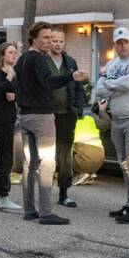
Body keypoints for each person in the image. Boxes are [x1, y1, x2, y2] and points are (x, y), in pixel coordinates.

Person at [15, 21, 88, 225]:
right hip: (41, 117)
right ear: (34, 39)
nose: (49, 42)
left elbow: (16, 85)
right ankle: (46, 213)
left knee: (29, 164)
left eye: (51, 38)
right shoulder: (39, 59)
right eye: (45, 38)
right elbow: (49, 82)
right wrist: (71, 76)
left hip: (25, 116)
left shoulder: (22, 59)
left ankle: (30, 210)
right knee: (47, 163)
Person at [93, 26, 129, 224]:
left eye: (125, 42)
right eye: (119, 43)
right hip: (117, 119)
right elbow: (99, 90)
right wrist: (115, 87)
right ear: (115, 45)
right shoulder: (111, 64)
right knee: (124, 164)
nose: (122, 45)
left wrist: (109, 86)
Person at [46, 28, 87, 208]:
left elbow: (78, 88)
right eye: (54, 41)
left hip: (67, 114)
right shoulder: (42, 61)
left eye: (61, 41)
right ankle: (44, 192)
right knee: (47, 155)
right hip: (47, 114)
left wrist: (78, 109)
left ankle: (64, 194)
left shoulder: (70, 62)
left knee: (65, 155)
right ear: (49, 42)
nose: (57, 44)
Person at [0, 41, 22, 212]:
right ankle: (3, 197)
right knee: (6, 160)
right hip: (0, 122)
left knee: (4, 159)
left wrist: (13, 94)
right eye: (10, 52)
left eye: (15, 52)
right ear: (2, 55)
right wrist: (8, 78)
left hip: (9, 119)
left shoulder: (13, 73)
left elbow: (16, 94)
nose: (14, 55)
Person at [71, 104, 107, 185]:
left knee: (63, 152)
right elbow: (107, 123)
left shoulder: (71, 122)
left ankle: (82, 173)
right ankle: (90, 173)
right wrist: (102, 110)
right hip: (99, 162)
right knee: (82, 151)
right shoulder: (91, 120)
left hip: (85, 162)